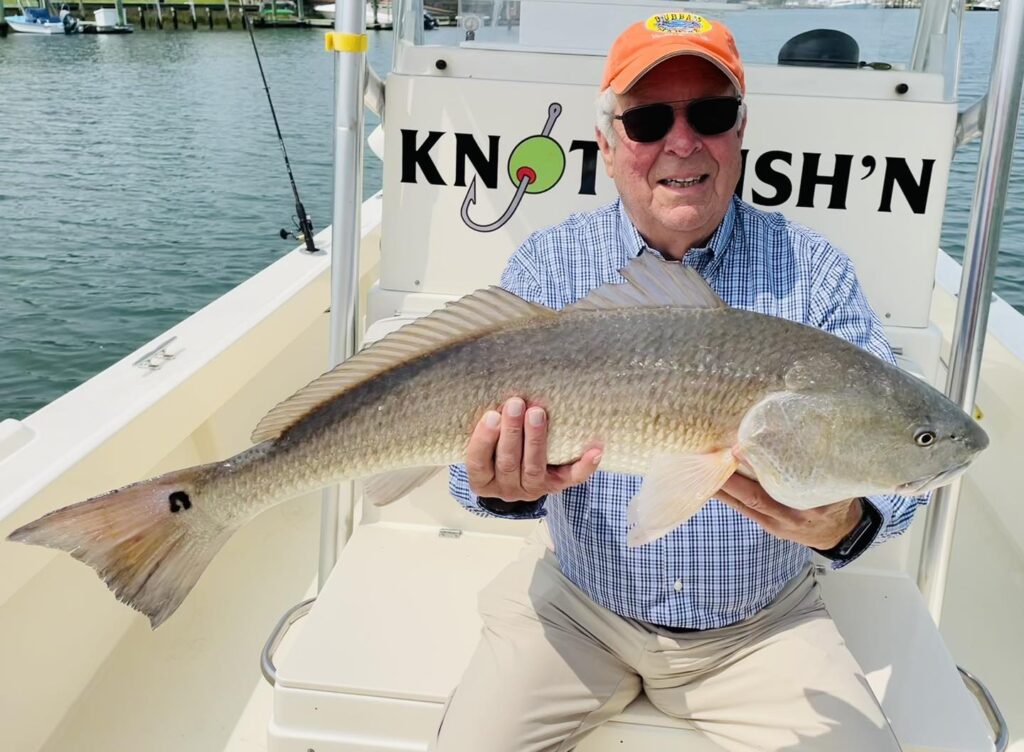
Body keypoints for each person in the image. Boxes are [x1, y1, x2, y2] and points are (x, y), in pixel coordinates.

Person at [435, 13, 920, 752]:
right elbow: (465, 472)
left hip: (758, 627)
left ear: (741, 130)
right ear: (607, 140)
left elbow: (897, 448)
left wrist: (848, 521)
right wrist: (500, 484)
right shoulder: (547, 267)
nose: (683, 142)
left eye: (712, 114)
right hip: (578, 610)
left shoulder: (815, 272)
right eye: (649, 119)